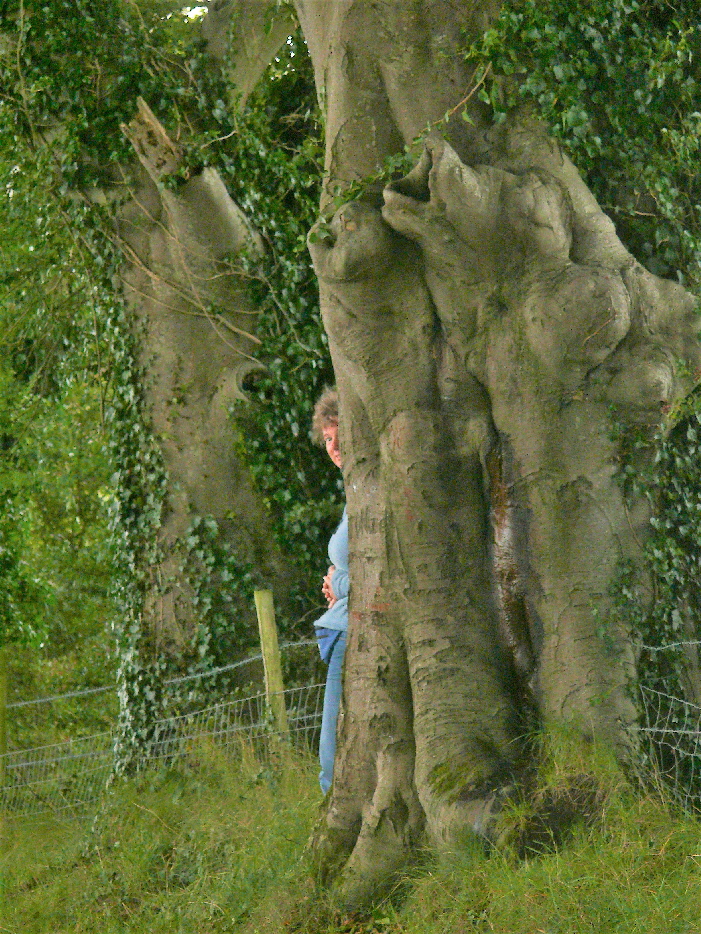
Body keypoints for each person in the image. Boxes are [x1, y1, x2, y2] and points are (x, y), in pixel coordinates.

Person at [311, 386, 348, 795]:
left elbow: (388, 571)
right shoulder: (351, 497)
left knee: (333, 752)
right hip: (342, 631)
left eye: (338, 433)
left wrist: (338, 582)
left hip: (357, 632)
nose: (333, 445)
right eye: (326, 438)